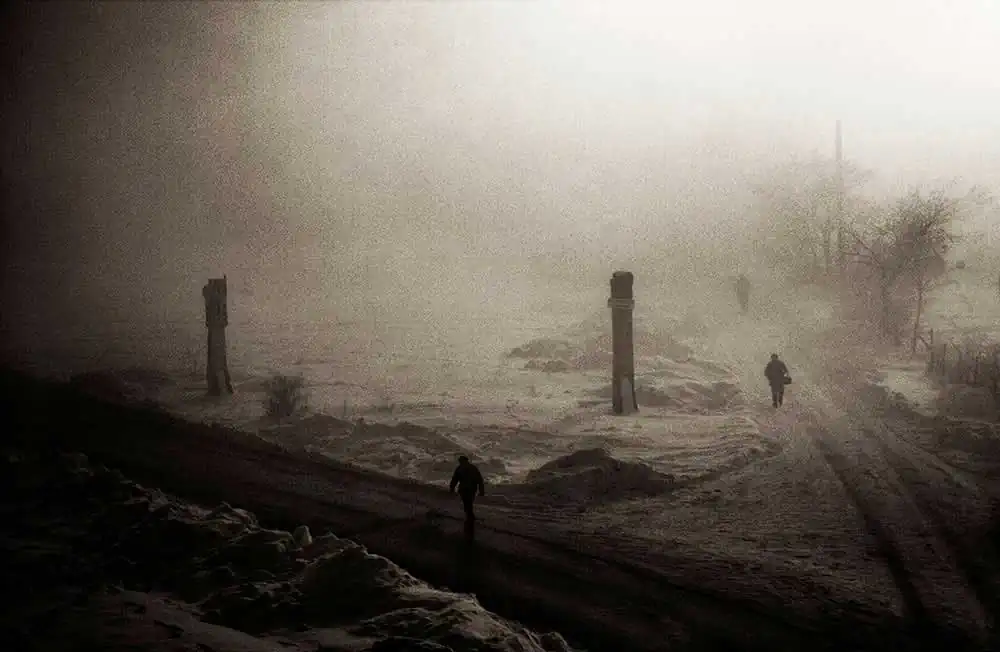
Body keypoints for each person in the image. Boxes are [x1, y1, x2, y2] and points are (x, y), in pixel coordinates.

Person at [449, 455, 485, 537]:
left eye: (460, 461)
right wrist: (481, 491)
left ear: (463, 461)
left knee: (466, 502)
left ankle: (469, 516)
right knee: (469, 501)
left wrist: (452, 488)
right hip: (471, 489)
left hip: (464, 489)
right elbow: (480, 480)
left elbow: (454, 480)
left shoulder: (460, 468)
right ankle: (470, 515)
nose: (460, 462)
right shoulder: (473, 468)